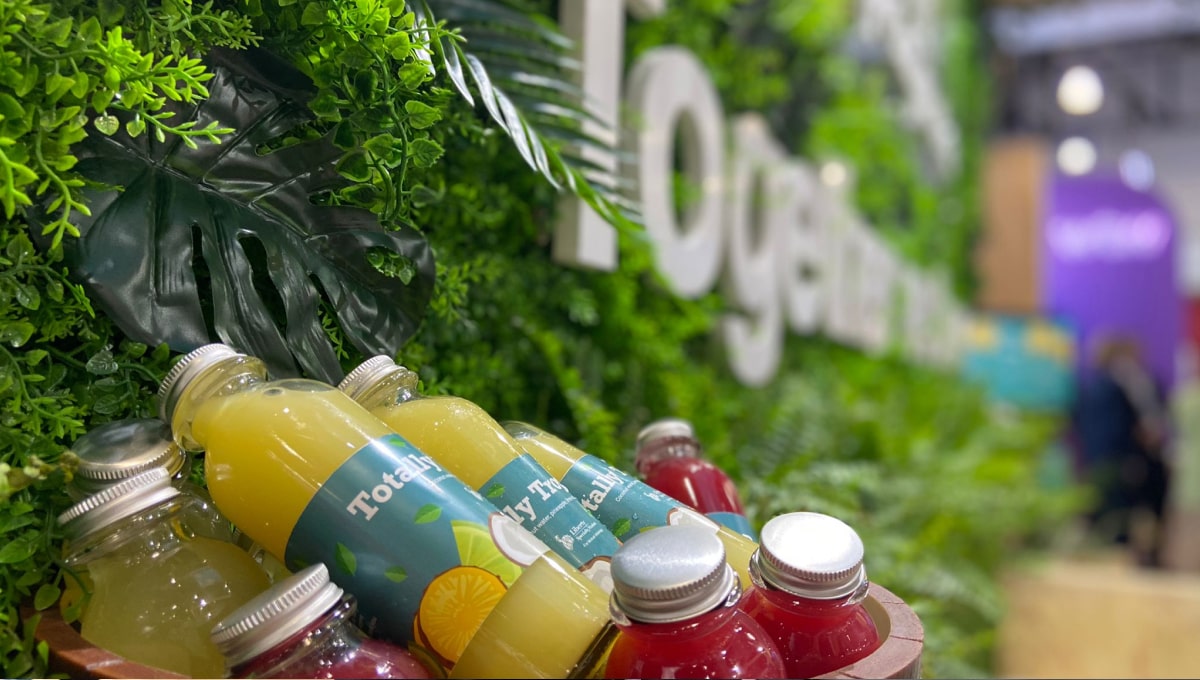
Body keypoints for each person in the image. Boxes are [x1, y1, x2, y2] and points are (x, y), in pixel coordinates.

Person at [1073, 335, 1171, 568]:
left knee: (1116, 512)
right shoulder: (1116, 386)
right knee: (1116, 511)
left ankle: (1121, 557)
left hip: (1105, 460)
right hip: (1120, 460)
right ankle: (1119, 557)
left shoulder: (1097, 386)